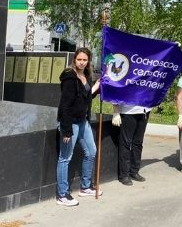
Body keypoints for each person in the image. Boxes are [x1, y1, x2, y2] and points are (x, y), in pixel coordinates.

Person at [56, 47, 101, 207]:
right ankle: (62, 195)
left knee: (91, 152)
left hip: (83, 121)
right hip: (71, 123)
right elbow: (65, 105)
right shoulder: (70, 77)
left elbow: (85, 96)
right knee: (65, 158)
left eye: (85, 60)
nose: (82, 62)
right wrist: (66, 129)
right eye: (79, 59)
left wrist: (96, 87)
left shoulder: (85, 75)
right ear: (74, 59)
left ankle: (85, 186)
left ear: (89, 61)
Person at [112, 100, 151, 186]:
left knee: (138, 143)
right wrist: (116, 110)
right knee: (126, 143)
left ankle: (134, 171)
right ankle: (124, 175)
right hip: (128, 111)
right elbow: (116, 89)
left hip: (144, 110)